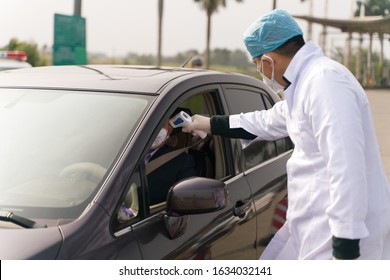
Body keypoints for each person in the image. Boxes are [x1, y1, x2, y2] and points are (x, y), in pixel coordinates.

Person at [183, 9, 390, 260]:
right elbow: (266, 121)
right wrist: (207, 123)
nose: (260, 70)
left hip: (342, 237)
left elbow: (346, 167)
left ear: (269, 60)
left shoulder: (326, 83)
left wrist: (345, 248)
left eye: (257, 63)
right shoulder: (304, 85)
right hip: (314, 225)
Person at [118, 108, 197, 222]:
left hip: (144, 224)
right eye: (148, 125)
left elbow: (189, 201)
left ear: (169, 129)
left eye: (160, 125)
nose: (153, 130)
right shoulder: (118, 153)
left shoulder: (181, 162)